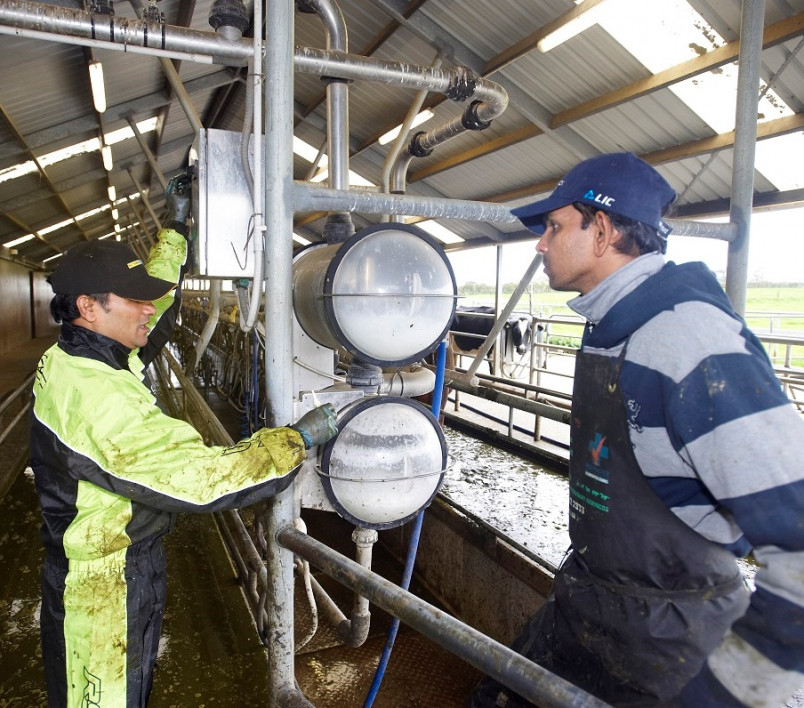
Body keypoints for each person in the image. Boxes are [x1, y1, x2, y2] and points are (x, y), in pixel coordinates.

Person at [469, 152, 804, 707]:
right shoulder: (613, 325)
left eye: (554, 226)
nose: (540, 244)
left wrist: (731, 692)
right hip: (592, 604)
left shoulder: (690, 340)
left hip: (671, 639)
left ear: (600, 230)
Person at [29, 175, 338, 708]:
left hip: (123, 563)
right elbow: (197, 480)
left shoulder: (83, 355)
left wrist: (176, 228)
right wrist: (293, 441)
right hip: (100, 593)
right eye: (133, 301)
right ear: (88, 307)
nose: (148, 309)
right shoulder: (96, 397)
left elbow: (161, 295)